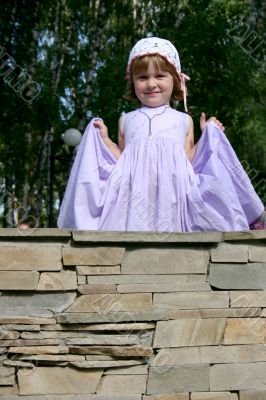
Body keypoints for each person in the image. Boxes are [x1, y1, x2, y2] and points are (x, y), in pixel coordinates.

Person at [58, 37, 266, 232]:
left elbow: (188, 159)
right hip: (133, 199)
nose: (151, 84)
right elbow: (122, 159)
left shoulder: (183, 120)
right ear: (132, 81)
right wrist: (104, 138)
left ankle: (251, 215)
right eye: (142, 77)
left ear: (175, 80)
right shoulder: (126, 120)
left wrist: (208, 135)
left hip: (173, 196)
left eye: (160, 76)